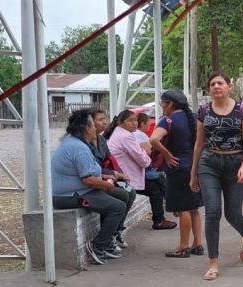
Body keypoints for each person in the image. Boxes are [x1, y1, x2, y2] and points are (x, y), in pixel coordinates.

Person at [190, 72, 243, 281]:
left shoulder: (241, 110)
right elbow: (199, 144)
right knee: (213, 211)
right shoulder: (203, 111)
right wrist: (193, 174)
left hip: (235, 164)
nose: (216, 86)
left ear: (229, 86)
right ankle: (213, 263)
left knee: (233, 214)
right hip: (209, 164)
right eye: (212, 84)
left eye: (220, 83)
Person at [51, 108, 127, 264]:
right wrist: (107, 185)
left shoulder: (75, 142)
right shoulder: (78, 147)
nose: (95, 129)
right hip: (70, 195)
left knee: (117, 199)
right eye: (93, 126)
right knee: (117, 206)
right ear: (86, 129)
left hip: (79, 191)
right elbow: (88, 179)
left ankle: (106, 242)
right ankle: (98, 246)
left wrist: (106, 180)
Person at [150, 90, 205, 259]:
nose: (162, 107)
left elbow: (153, 140)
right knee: (194, 208)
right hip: (196, 166)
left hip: (178, 168)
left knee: (183, 209)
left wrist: (166, 154)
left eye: (162, 104)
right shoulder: (195, 118)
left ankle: (183, 245)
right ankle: (198, 243)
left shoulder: (168, 120)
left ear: (170, 104)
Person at [91, 108, 137, 252]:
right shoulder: (83, 143)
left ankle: (115, 232)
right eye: (99, 119)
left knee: (130, 192)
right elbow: (90, 169)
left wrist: (116, 174)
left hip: (105, 178)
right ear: (89, 124)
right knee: (120, 196)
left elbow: (108, 161)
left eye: (105, 118)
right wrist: (109, 176)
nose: (104, 121)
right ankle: (106, 237)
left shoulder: (102, 140)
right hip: (92, 183)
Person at [136, 112, 175, 230]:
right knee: (159, 179)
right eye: (147, 123)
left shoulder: (132, 135)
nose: (149, 126)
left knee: (156, 186)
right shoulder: (139, 134)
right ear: (142, 123)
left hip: (139, 170)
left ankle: (161, 218)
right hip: (139, 172)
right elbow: (149, 152)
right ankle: (171, 205)